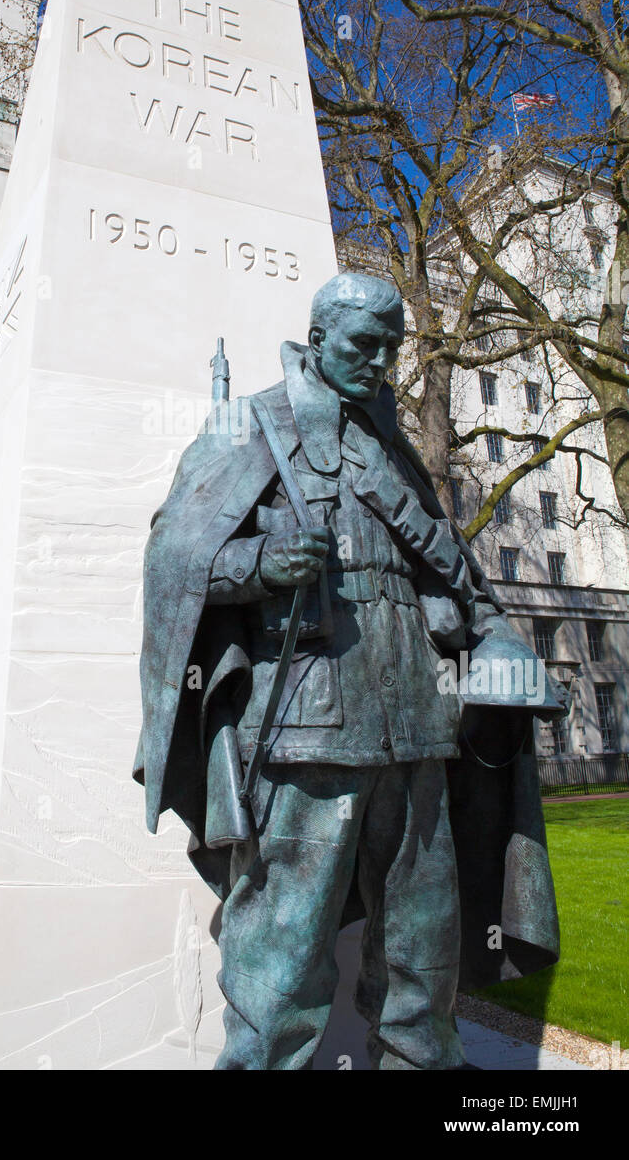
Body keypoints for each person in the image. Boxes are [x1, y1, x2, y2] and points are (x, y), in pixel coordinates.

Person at [135, 271, 560, 1070]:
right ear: (319, 338)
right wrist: (263, 560)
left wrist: (497, 641)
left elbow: (457, 580)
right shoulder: (251, 424)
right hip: (305, 733)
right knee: (280, 962)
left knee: (422, 951)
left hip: (416, 730)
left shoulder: (394, 448)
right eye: (367, 345)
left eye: (394, 347)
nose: (382, 362)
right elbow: (173, 559)